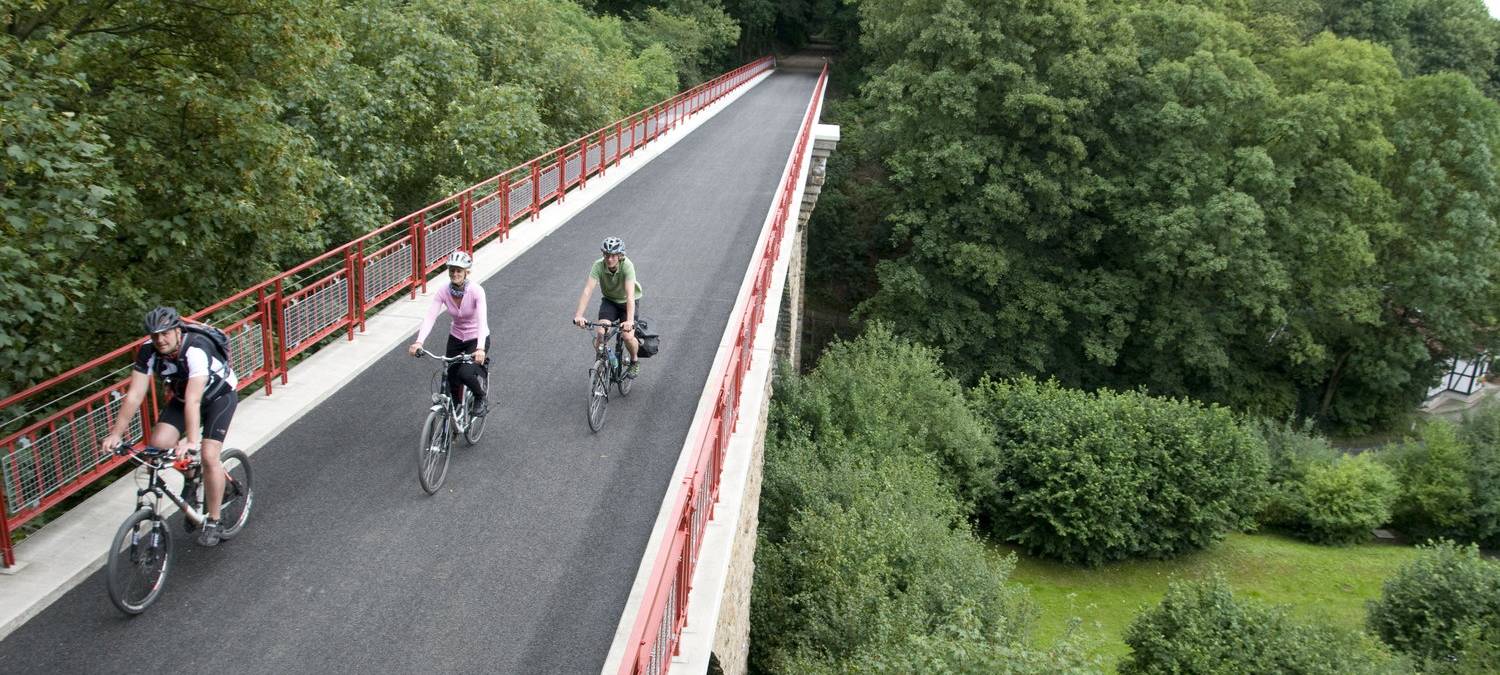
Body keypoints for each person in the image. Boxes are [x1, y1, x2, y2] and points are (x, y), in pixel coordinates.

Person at [102, 306, 239, 546]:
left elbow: (195, 400)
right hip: (182, 398)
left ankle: (214, 521)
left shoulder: (195, 349)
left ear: (177, 331)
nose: (160, 340)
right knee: (159, 444)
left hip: (218, 397)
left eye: (165, 333)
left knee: (208, 455)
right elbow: (134, 395)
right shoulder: (148, 351)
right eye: (155, 335)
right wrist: (115, 434)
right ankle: (191, 476)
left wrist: (192, 442)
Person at [408, 250, 490, 416]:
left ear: (467, 272)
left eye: (459, 270)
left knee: (464, 373)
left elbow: (482, 321)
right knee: (450, 376)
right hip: (456, 337)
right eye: (452, 270)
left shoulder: (476, 291)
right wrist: (419, 341)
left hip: (476, 339)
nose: (455, 274)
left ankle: (480, 397)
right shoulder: (443, 291)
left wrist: (480, 348)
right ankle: (456, 413)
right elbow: (430, 317)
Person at [572, 236, 644, 378]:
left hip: (627, 303)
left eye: (613, 256)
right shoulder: (598, 265)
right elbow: (587, 290)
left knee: (627, 336)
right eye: (606, 255)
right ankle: (602, 361)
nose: (609, 259)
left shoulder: (627, 265)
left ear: (620, 255)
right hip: (610, 301)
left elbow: (630, 296)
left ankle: (634, 360)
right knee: (601, 333)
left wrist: (629, 321)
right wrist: (579, 315)